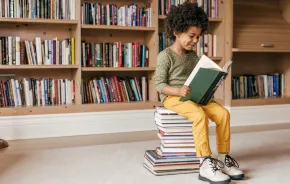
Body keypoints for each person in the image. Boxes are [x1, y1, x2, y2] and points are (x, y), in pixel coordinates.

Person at [154, 2, 244, 184]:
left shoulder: (194, 56)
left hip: (195, 95)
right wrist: (178, 90)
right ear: (176, 32)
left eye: (198, 37)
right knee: (198, 114)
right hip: (173, 97)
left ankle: (224, 157)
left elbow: (198, 77)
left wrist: (215, 79)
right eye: (191, 36)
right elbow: (159, 85)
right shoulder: (165, 56)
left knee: (223, 114)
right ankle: (204, 162)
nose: (195, 41)